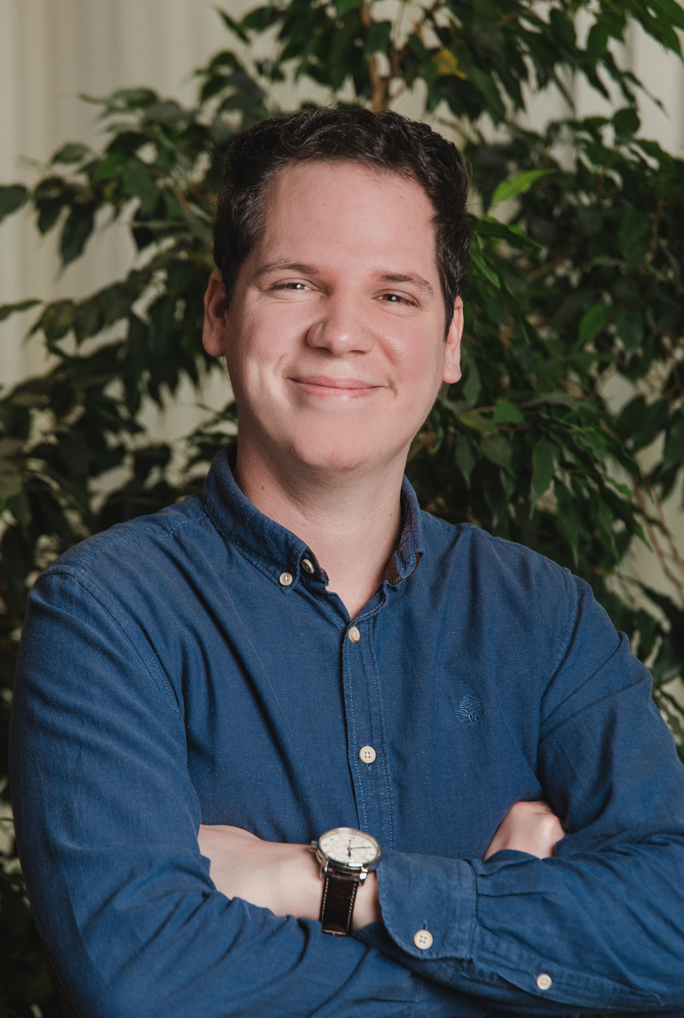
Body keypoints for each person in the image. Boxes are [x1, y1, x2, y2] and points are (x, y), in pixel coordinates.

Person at [9, 108, 684, 1018]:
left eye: (395, 295)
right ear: (219, 312)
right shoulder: (104, 613)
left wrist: (335, 885)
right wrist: (513, 948)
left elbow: (673, 924)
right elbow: (145, 981)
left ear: (450, 341)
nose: (341, 333)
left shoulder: (547, 617)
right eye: (295, 283)